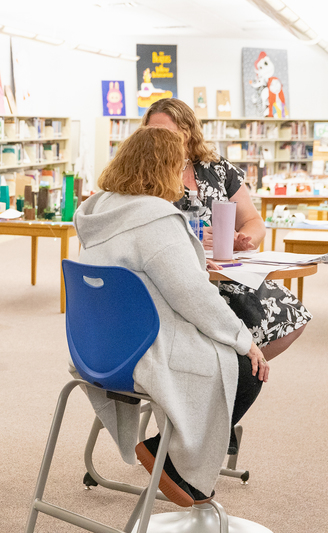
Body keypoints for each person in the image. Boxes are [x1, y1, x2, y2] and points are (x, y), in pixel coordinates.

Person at [73, 126, 268, 507]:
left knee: (224, 352)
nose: (184, 176)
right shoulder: (156, 220)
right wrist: (244, 339)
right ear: (162, 169)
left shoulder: (100, 209)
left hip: (94, 349)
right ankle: (179, 464)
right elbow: (192, 295)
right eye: (179, 167)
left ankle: (175, 452)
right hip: (141, 353)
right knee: (247, 370)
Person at [143, 98, 310, 365]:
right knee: (222, 321)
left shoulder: (217, 168)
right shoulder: (144, 174)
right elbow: (143, 233)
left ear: (187, 133)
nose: (158, 141)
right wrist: (193, 239)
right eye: (151, 134)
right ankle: (222, 375)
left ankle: (230, 374)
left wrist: (244, 240)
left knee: (294, 314)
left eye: (166, 134)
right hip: (178, 278)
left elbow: (254, 221)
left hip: (226, 270)